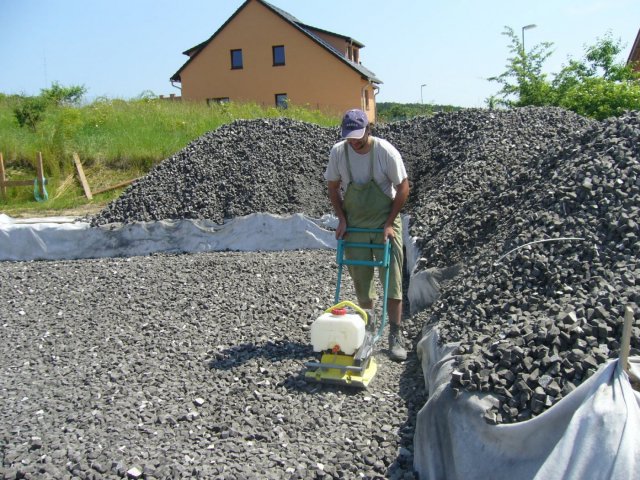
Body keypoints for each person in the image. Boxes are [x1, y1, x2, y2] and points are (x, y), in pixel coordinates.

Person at [324, 108, 410, 361]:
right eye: (350, 137)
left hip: (385, 221)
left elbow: (403, 188)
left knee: (392, 280)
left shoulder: (385, 151)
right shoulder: (338, 152)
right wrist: (341, 219)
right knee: (361, 280)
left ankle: (395, 333)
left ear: (368, 129)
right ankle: (369, 330)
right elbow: (332, 187)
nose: (354, 141)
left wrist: (389, 223)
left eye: (358, 136)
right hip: (356, 224)